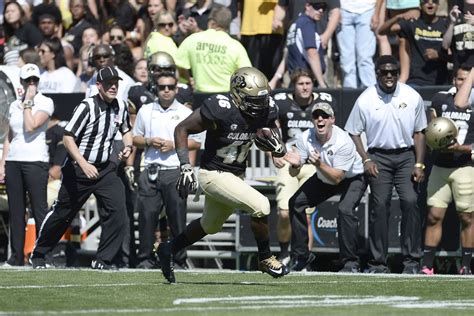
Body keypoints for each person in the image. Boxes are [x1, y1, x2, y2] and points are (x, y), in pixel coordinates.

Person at [155, 67, 290, 283]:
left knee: (210, 225)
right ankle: (265, 257)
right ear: (237, 94)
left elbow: (271, 133)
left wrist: (277, 147)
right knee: (262, 206)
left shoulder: (266, 108)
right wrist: (186, 167)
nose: (259, 105)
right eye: (253, 100)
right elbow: (181, 129)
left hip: (235, 175)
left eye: (261, 100)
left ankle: (167, 249)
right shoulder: (221, 107)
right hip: (213, 174)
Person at [30, 66, 133, 270]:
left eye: (116, 83)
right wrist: (84, 164)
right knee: (63, 214)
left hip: (105, 169)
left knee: (119, 211)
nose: (113, 87)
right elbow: (68, 138)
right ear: (98, 85)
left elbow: (126, 130)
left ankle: (102, 260)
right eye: (109, 83)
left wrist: (128, 146)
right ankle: (39, 253)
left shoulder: (120, 106)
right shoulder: (86, 106)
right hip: (79, 168)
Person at [345, 55, 427, 274]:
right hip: (378, 156)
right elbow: (353, 132)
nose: (389, 76)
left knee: (410, 202)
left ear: (398, 73)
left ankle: (411, 262)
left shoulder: (412, 96)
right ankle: (378, 263)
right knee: (379, 207)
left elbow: (419, 132)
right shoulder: (366, 98)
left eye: (393, 72)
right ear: (377, 73)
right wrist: (366, 158)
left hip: (406, 155)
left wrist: (419, 163)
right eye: (384, 72)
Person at [284, 102, 366, 272]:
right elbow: (294, 172)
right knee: (295, 202)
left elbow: (338, 178)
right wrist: (294, 166)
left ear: (332, 120)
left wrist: (319, 164)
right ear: (312, 120)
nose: (320, 119)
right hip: (324, 176)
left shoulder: (343, 141)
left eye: (325, 116)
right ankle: (301, 256)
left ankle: (350, 262)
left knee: (345, 210)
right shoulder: (305, 138)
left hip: (353, 177)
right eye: (316, 116)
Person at [133, 72, 200, 269]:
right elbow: (135, 138)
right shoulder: (145, 110)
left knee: (178, 218)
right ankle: (145, 260)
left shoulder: (186, 113)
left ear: (176, 88)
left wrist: (175, 144)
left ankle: (179, 260)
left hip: (175, 170)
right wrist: (148, 141)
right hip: (151, 169)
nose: (167, 91)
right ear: (156, 88)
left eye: (170, 87)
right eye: (162, 87)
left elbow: (197, 142)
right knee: (146, 218)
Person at [272, 69, 335, 265]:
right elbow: (270, 132)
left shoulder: (322, 104)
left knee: (304, 213)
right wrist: (274, 153)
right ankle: (284, 253)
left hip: (312, 165)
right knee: (283, 211)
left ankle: (303, 258)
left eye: (308, 83)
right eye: (301, 84)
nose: (305, 87)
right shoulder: (282, 102)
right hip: (289, 163)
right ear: (294, 86)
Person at [421, 65, 474, 275]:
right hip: (440, 165)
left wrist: (463, 148)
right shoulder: (441, 98)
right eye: (460, 79)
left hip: (465, 166)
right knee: (434, 214)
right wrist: (435, 138)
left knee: (468, 217)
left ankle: (466, 265)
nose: (463, 83)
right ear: (454, 80)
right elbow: (432, 125)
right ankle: (427, 264)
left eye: (466, 79)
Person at [0, 63, 54, 266]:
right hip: (15, 161)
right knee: (16, 210)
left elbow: (31, 125)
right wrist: (3, 162)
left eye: (35, 80)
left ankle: (43, 256)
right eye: (28, 80)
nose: (32, 83)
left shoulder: (45, 102)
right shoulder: (14, 105)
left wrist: (29, 102)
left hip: (35, 161)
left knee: (39, 210)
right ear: (21, 83)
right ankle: (15, 258)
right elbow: (10, 136)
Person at [175, 6, 251, 94]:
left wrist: (187, 81)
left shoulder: (193, 39)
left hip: (200, 96)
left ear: (211, 23)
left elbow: (179, 65)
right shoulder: (236, 46)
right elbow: (247, 75)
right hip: (226, 98)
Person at [378, 0, 449, 86]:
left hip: (440, 82)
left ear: (438, 5)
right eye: (426, 1)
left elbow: (455, 58)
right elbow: (382, 31)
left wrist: (439, 55)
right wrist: (398, 17)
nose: (430, 3)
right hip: (416, 81)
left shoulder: (445, 25)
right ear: (420, 5)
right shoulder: (413, 23)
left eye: (434, 1)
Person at [285, 1, 329, 88]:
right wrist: (322, 84)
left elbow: (287, 55)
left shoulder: (296, 23)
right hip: (306, 82)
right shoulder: (306, 23)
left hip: (296, 81)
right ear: (307, 6)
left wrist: (275, 78)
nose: (321, 10)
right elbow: (312, 52)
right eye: (317, 6)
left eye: (323, 8)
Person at [336, 0, 377, 88]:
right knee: (346, 58)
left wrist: (377, 12)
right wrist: (335, 8)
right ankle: (350, 93)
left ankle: (370, 92)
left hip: (368, 9)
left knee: (365, 56)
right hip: (343, 9)